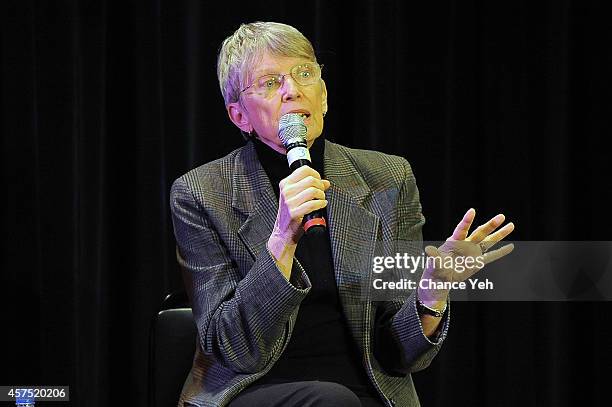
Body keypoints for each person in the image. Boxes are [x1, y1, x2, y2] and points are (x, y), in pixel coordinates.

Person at [170, 21, 514, 407]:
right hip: (251, 391)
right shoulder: (202, 192)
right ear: (240, 117)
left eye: (304, 73)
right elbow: (232, 349)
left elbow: (402, 355)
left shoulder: (387, 178)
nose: (292, 90)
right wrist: (282, 239)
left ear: (324, 96)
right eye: (269, 82)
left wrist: (431, 291)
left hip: (368, 394)